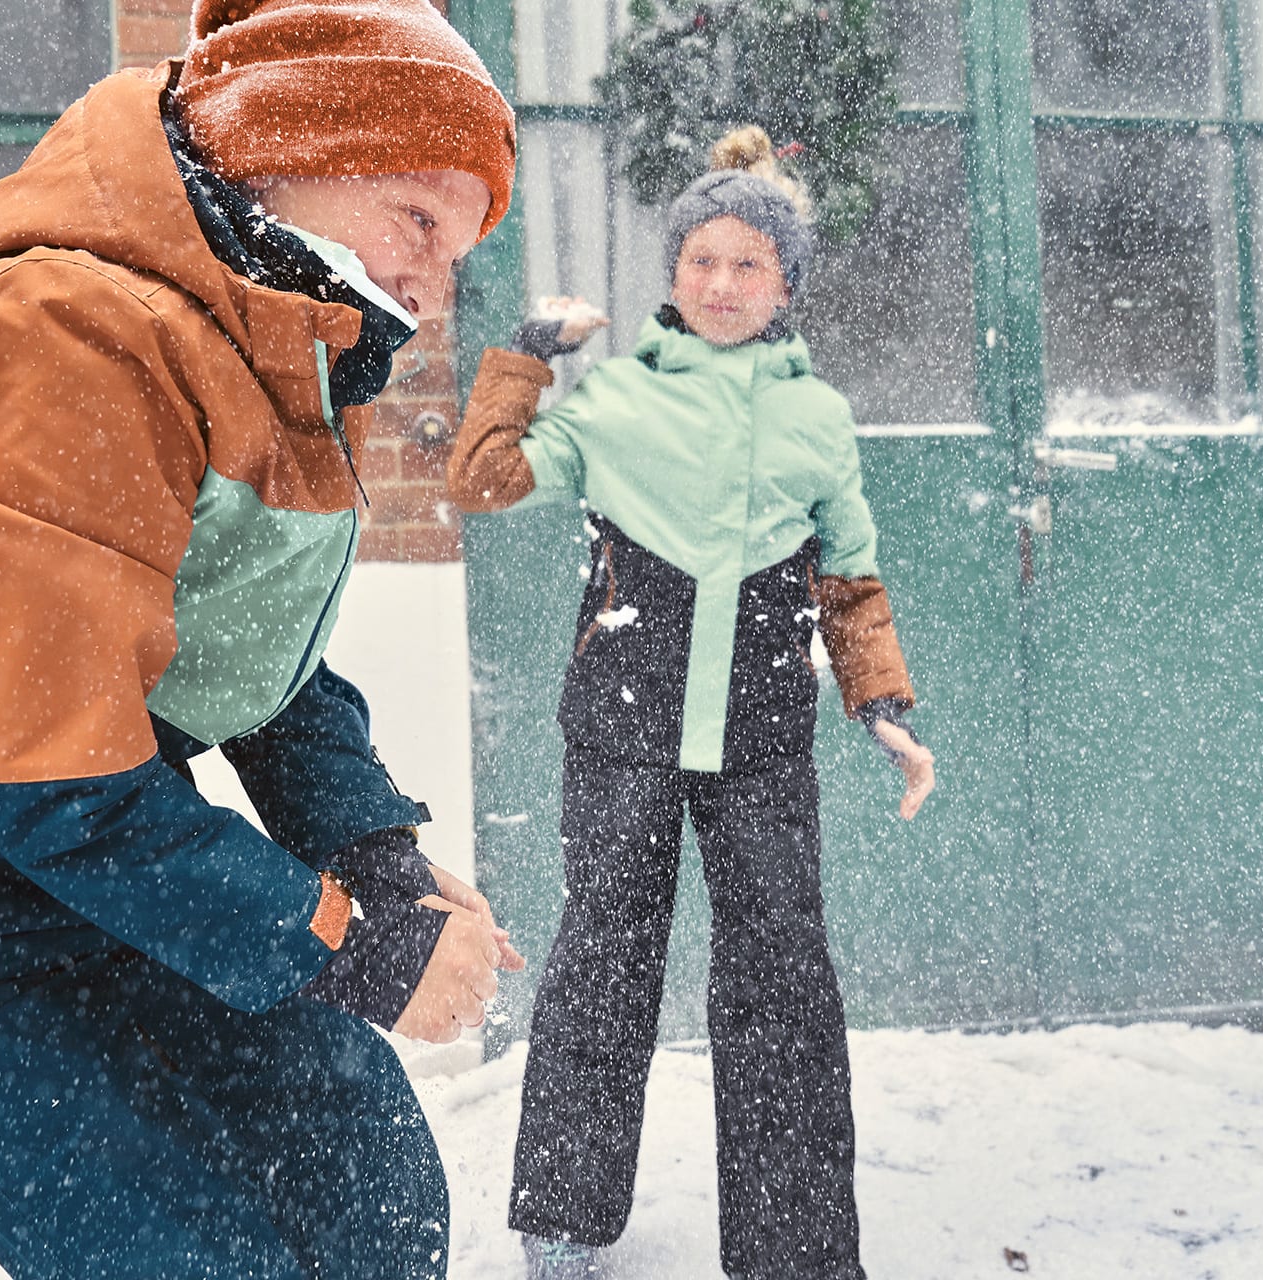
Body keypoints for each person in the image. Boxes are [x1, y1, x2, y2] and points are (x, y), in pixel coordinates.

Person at [0, 2, 525, 1276]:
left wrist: (370, 845)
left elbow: (259, 656)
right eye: (417, 217)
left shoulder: (277, 345)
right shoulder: (72, 335)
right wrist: (354, 944)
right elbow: (61, 782)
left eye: (462, 249)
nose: (433, 281)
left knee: (361, 1185)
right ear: (282, 149)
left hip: (96, 874)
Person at [446, 127, 938, 1280]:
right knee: (604, 960)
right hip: (624, 722)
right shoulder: (616, 400)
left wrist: (883, 707)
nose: (721, 284)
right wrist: (524, 357)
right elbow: (479, 477)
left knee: (784, 979)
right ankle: (563, 1221)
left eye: (749, 265)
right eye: (701, 261)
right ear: (672, 275)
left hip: (764, 736)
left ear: (787, 286)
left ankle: (797, 1247)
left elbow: (850, 577)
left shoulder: (818, 419)